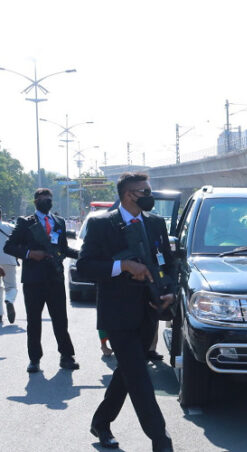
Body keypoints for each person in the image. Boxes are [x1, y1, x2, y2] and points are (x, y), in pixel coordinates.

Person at [77, 173, 175, 451]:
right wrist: (123, 267)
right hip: (118, 315)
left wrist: (168, 290)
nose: (149, 195)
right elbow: (84, 267)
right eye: (143, 191)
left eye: (149, 190)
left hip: (149, 312)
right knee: (140, 379)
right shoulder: (102, 225)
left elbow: (166, 264)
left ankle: (101, 421)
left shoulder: (155, 224)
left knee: (129, 372)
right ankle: (161, 440)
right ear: (128, 195)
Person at [3, 189, 79, 372]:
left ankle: (67, 356)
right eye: (43, 199)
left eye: (49, 199)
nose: (47, 201)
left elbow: (64, 249)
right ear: (36, 201)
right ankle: (34, 359)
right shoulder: (25, 223)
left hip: (55, 277)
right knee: (34, 321)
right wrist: (30, 254)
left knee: (60, 319)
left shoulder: (58, 222)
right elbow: (9, 247)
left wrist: (83, 255)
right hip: (33, 280)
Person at [0, 208, 19, 324]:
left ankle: (0, 314)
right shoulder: (10, 226)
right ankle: (9, 300)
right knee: (11, 287)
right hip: (9, 259)